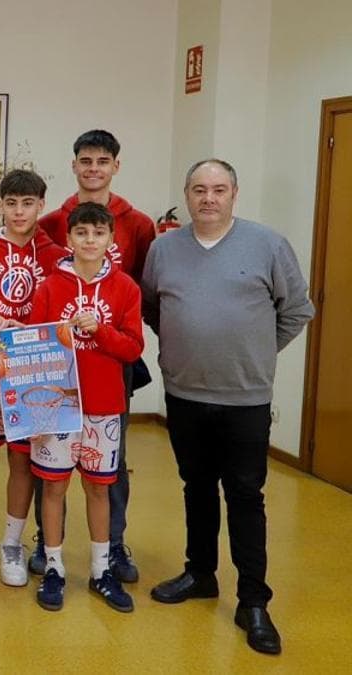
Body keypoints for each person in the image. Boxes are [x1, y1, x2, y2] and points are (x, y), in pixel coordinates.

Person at [142, 159, 313, 655]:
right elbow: (154, 307)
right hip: (185, 393)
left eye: (218, 189)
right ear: (188, 195)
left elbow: (297, 309)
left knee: (244, 494)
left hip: (245, 397)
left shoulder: (267, 245)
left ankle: (254, 600)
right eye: (199, 189)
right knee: (195, 485)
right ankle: (200, 573)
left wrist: (256, 352)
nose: (208, 198)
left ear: (235, 193)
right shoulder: (163, 249)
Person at [31, 129, 156, 582]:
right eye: (86, 160)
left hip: (108, 370)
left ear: (115, 167)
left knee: (109, 462)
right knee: (52, 467)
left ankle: (113, 547)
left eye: (103, 161)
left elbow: (141, 289)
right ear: (74, 165)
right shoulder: (51, 222)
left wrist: (106, 329)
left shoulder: (138, 223)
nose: (94, 168)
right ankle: (48, 548)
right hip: (59, 374)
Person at [28, 202, 142, 613]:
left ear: (111, 239)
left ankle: (100, 569)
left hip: (103, 407)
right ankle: (54, 567)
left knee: (99, 487)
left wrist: (103, 331)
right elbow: (36, 347)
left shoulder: (126, 288)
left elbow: (133, 348)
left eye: (98, 233)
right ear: (69, 238)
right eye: (82, 233)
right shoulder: (49, 287)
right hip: (58, 407)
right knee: (54, 486)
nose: (90, 241)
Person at [0, 169, 67, 589]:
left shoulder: (57, 255)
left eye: (28, 203)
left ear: (41, 205)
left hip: (36, 375)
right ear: (0, 205)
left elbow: (62, 310)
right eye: (11, 203)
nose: (19, 211)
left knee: (23, 460)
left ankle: (11, 545)